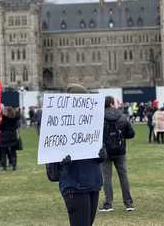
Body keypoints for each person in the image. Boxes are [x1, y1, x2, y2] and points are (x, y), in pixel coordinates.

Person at [55, 83, 105, 226]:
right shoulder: (60, 124)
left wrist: (102, 154)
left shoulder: (92, 122)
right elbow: (52, 154)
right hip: (74, 185)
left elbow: (101, 150)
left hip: (93, 182)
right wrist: (61, 160)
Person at [99, 95, 135, 212]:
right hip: (120, 150)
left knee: (106, 178)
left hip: (105, 151)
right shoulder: (122, 116)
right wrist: (121, 136)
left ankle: (108, 204)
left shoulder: (99, 116)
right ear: (112, 103)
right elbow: (131, 133)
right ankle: (129, 203)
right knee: (123, 176)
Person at [0, 107, 19, 171]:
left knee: (3, 152)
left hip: (4, 137)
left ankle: (4, 167)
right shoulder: (14, 119)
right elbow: (16, 127)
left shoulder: (4, 119)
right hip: (13, 136)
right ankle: (14, 166)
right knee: (13, 152)